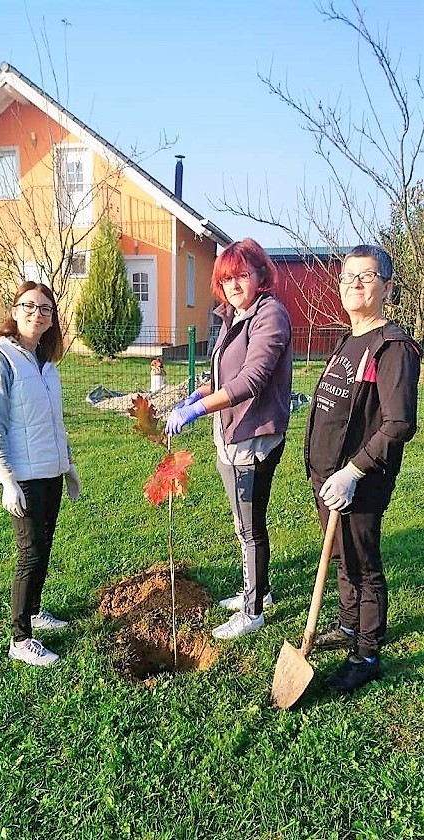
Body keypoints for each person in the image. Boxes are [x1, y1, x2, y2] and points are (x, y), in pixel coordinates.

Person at [305, 245, 422, 692]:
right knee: (341, 556)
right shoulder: (348, 340)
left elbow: (398, 424)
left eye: (366, 276)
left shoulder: (392, 347)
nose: (354, 283)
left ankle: (367, 654)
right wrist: (325, 470)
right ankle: (348, 625)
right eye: (347, 276)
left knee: (364, 565)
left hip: (360, 480)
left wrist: (353, 472)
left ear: (387, 288)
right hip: (327, 476)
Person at [165, 238, 292, 640]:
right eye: (226, 278)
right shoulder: (233, 315)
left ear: (260, 274)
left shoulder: (269, 316)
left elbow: (250, 380)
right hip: (230, 432)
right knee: (244, 522)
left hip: (253, 436)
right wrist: (197, 395)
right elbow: (224, 376)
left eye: (242, 275)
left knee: (249, 526)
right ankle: (259, 591)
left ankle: (253, 612)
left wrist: (197, 411)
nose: (234, 285)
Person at [0, 281, 81, 667]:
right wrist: (6, 478)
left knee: (44, 545)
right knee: (30, 553)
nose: (37, 314)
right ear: (14, 310)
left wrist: (67, 464)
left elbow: (55, 422)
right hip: (24, 475)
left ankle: (35, 612)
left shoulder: (46, 362)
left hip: (50, 471)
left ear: (52, 319)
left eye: (45, 309)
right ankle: (20, 639)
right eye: (29, 306)